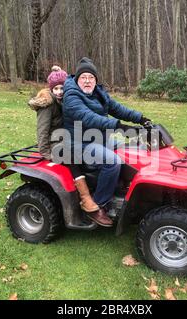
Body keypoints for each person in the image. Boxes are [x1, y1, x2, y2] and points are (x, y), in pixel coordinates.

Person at [62, 57, 151, 225]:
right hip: (77, 144)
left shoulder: (98, 93)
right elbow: (89, 118)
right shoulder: (71, 96)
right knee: (112, 161)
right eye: (84, 78)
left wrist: (141, 119)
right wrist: (120, 127)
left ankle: (124, 188)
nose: (87, 81)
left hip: (99, 140)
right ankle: (97, 204)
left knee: (135, 148)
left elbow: (117, 108)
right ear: (77, 79)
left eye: (91, 78)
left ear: (95, 80)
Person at [28, 66, 100, 216]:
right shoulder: (47, 104)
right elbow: (42, 131)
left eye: (62, 87)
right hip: (56, 143)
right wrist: (47, 154)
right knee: (71, 156)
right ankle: (85, 197)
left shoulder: (65, 100)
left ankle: (97, 187)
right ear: (51, 89)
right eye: (56, 89)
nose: (59, 91)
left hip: (69, 137)